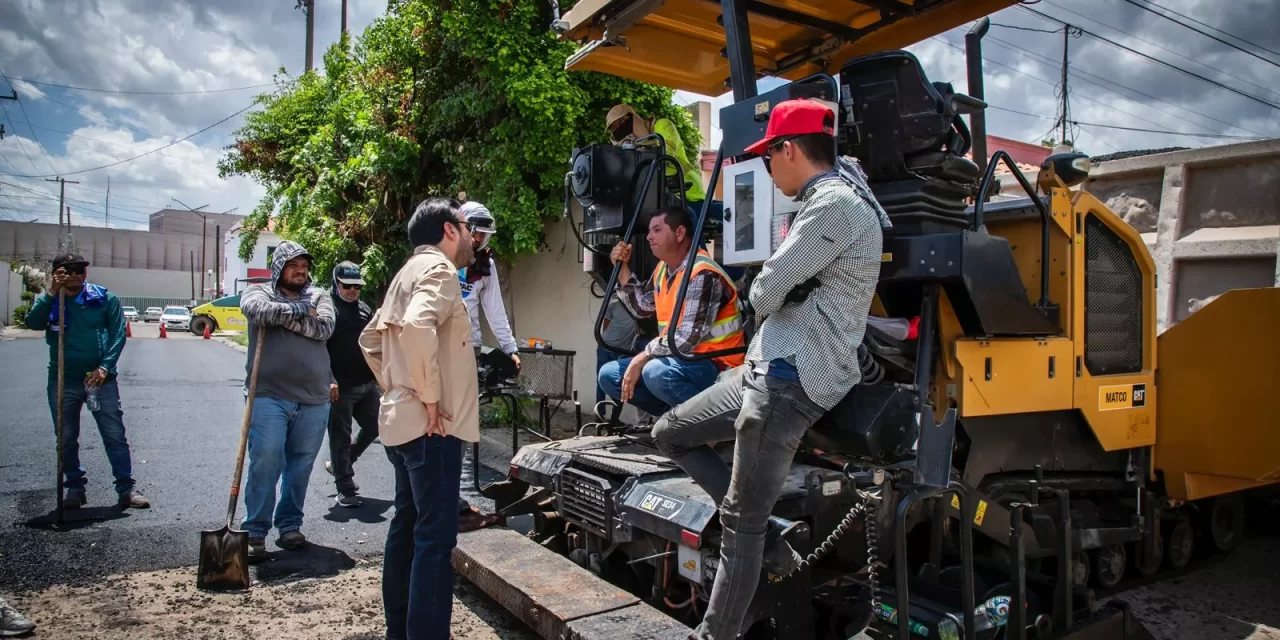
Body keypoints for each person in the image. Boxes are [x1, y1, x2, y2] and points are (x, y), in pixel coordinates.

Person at [650, 99, 889, 640]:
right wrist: (778, 285)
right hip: (763, 367)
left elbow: (765, 288)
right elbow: (772, 290)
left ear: (788, 149)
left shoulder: (835, 207)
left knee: (738, 523)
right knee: (669, 433)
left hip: (792, 377)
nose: (765, 167)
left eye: (767, 155)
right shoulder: (818, 203)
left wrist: (775, 284)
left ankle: (715, 632)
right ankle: (768, 531)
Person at [360, 197, 480, 640]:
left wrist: (397, 387)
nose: (472, 236)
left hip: (399, 423)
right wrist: (428, 397)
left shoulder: (404, 274)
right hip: (434, 428)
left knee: (407, 530)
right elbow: (414, 326)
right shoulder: (441, 270)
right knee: (434, 540)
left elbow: (371, 339)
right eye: (467, 227)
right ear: (450, 230)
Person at [25, 253, 149, 510]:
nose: (76, 275)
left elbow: (118, 334)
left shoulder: (103, 299)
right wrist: (51, 292)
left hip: (100, 380)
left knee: (115, 435)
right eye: (68, 271)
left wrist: (105, 367)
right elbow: (32, 323)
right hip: (63, 378)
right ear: (56, 273)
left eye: (80, 270)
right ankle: (75, 488)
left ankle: (126, 488)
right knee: (66, 437)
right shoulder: (52, 300)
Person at [597, 207, 745, 418]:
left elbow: (686, 338)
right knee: (610, 375)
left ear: (680, 233)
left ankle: (719, 423)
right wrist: (622, 268)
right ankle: (675, 420)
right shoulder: (663, 270)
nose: (649, 236)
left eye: (657, 230)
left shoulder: (702, 273)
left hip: (719, 367)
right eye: (649, 231)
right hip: (683, 361)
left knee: (655, 372)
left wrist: (644, 356)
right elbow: (641, 308)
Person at [239, 241, 336, 560]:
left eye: (304, 265)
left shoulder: (319, 295)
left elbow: (324, 328)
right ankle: (255, 530)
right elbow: (256, 311)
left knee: (301, 465)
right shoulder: (258, 291)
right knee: (266, 460)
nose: (301, 270)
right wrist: (297, 311)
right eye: (294, 265)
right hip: (268, 395)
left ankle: (290, 524)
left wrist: (282, 317)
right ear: (279, 267)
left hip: (313, 397)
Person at [322, 260, 380, 508]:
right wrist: (328, 379)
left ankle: (341, 464)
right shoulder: (327, 311)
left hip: (367, 384)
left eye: (356, 286)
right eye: (347, 286)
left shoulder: (364, 309)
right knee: (339, 437)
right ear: (336, 284)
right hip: (340, 387)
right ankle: (345, 488)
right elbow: (317, 349)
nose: (352, 291)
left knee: (377, 426)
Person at [457, 201, 520, 371]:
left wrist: (510, 349)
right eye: (475, 231)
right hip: (442, 343)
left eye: (483, 234)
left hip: (470, 346)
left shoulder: (485, 265)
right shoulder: (445, 257)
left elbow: (495, 311)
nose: (478, 238)